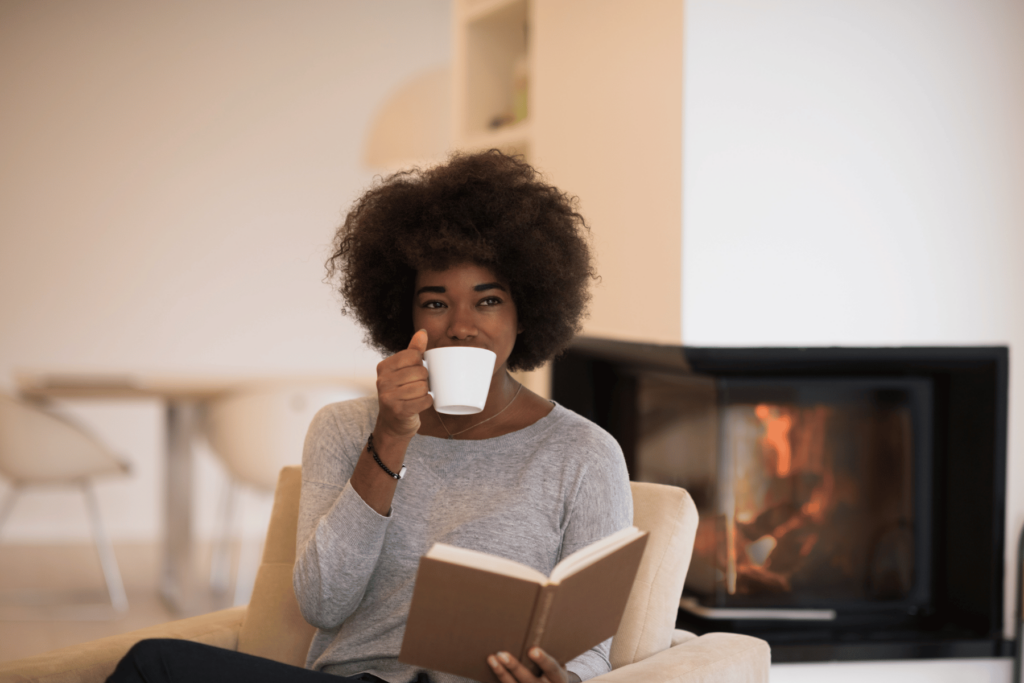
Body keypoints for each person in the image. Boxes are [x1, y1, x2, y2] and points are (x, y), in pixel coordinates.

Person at [106, 150, 632, 683]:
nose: (461, 326)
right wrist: (390, 436)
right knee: (154, 665)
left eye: (488, 300)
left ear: (527, 310)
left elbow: (590, 645)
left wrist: (565, 679)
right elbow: (323, 604)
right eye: (435, 302)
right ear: (403, 314)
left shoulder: (584, 453)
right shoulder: (343, 429)